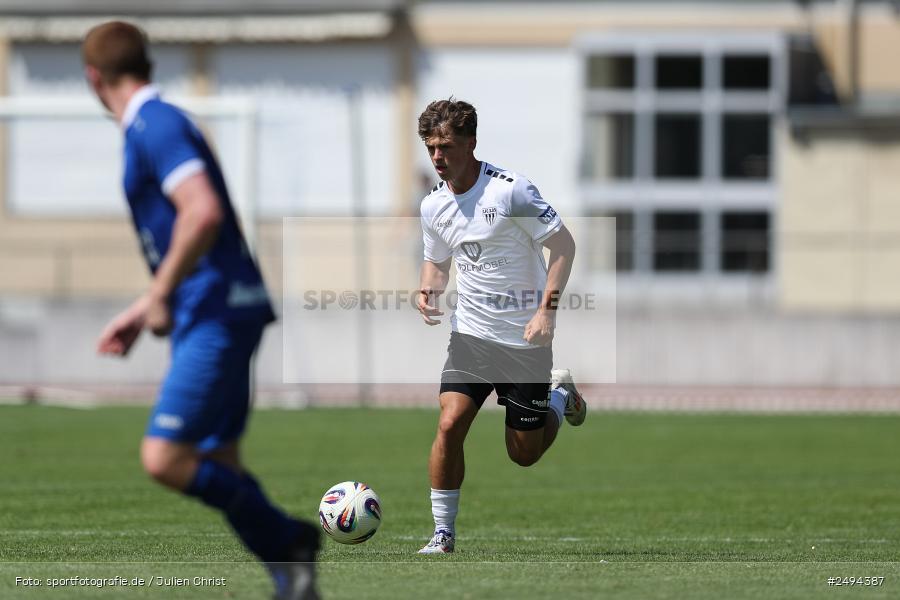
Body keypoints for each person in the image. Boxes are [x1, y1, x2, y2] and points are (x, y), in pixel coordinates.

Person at [83, 21, 319, 599]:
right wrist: (146, 307)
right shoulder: (161, 122)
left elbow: (203, 212)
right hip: (219, 308)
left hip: (214, 315)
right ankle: (293, 580)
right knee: (220, 460)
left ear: (94, 79)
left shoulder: (153, 124)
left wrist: (160, 293)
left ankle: (290, 539)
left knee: (164, 457)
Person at [415, 98, 586, 554]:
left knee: (523, 454)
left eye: (446, 146)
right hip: (470, 337)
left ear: (470, 143)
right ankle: (442, 533)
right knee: (450, 424)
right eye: (430, 147)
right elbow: (436, 263)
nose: (436, 156)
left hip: (523, 342)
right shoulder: (432, 206)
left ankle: (557, 395)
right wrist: (427, 289)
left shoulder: (511, 192)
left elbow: (564, 245)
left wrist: (546, 310)